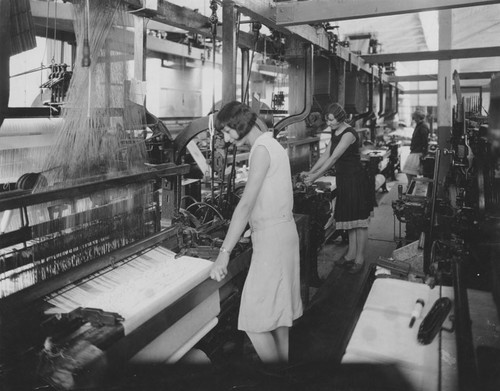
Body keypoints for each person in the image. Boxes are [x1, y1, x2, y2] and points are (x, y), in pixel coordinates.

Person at [209, 101, 303, 363]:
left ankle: (275, 376)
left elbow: (246, 203)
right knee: (280, 312)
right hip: (282, 232)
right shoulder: (272, 144)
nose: (226, 139)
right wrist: (254, 226)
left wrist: (224, 253)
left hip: (272, 240)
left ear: (239, 125)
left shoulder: (260, 149)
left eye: (228, 131)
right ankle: (283, 369)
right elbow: (271, 196)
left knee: (253, 317)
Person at [301, 103, 374, 274]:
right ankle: (350, 255)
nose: (329, 123)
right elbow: (325, 155)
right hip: (344, 179)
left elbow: (333, 158)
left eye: (332, 120)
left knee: (359, 222)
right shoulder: (335, 131)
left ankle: (360, 259)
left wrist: (314, 177)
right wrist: (310, 171)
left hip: (356, 180)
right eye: (328, 120)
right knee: (351, 217)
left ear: (340, 118)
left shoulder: (349, 134)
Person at [403, 110, 429, 189]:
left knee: (408, 170)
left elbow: (425, 140)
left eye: (415, 118)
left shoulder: (423, 126)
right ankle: (411, 187)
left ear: (419, 117)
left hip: (418, 152)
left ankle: (411, 187)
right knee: (410, 172)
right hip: (415, 151)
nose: (413, 119)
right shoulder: (419, 125)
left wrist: (424, 153)